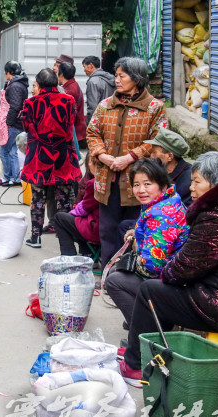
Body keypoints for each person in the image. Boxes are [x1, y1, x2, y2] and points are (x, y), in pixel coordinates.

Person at [119, 152, 218, 386]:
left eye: (197, 181)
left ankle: (134, 365)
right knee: (160, 290)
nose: (190, 187)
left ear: (215, 183)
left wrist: (167, 270)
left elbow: (183, 268)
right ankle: (147, 351)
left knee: (151, 291)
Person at [87, 56, 168, 267]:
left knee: (136, 230)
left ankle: (129, 273)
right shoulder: (106, 105)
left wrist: (129, 158)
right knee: (108, 230)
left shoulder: (154, 108)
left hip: (138, 184)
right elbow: (92, 132)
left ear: (137, 78)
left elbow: (158, 139)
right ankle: (108, 273)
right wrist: (102, 155)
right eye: (116, 75)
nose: (117, 80)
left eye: (122, 76)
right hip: (107, 180)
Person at [105, 158, 188, 339]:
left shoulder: (162, 215)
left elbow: (153, 266)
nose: (141, 190)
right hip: (173, 277)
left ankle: (146, 335)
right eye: (136, 184)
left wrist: (131, 261)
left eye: (147, 184)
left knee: (114, 280)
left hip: (171, 283)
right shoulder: (167, 201)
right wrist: (137, 234)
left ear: (162, 185)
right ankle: (145, 319)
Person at [21, 68, 81, 248]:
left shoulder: (30, 103)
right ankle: (65, 240)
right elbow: (71, 123)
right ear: (57, 83)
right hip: (63, 157)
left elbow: (27, 128)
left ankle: (36, 237)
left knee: (38, 198)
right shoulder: (69, 101)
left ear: (38, 85)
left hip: (39, 158)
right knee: (64, 200)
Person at [54, 154, 100, 256]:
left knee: (60, 218)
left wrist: (73, 211)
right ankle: (87, 253)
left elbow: (85, 207)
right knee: (76, 220)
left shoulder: (94, 183)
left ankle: (69, 258)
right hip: (107, 226)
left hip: (97, 228)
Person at [0, 61, 27, 187]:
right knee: (12, 150)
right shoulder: (15, 84)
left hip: (14, 124)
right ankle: (13, 178)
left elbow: (15, 106)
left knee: (3, 150)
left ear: (8, 72)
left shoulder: (15, 86)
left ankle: (9, 177)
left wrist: (8, 123)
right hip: (15, 123)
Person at [58, 62, 87, 150]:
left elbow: (69, 115)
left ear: (61, 74)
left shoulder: (69, 91)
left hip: (76, 135)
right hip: (79, 132)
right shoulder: (73, 84)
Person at [82, 55, 116, 124]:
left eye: (84, 67)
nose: (84, 70)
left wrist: (89, 123)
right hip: (111, 118)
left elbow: (93, 107)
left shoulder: (93, 81)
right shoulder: (110, 78)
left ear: (91, 65)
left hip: (99, 122)